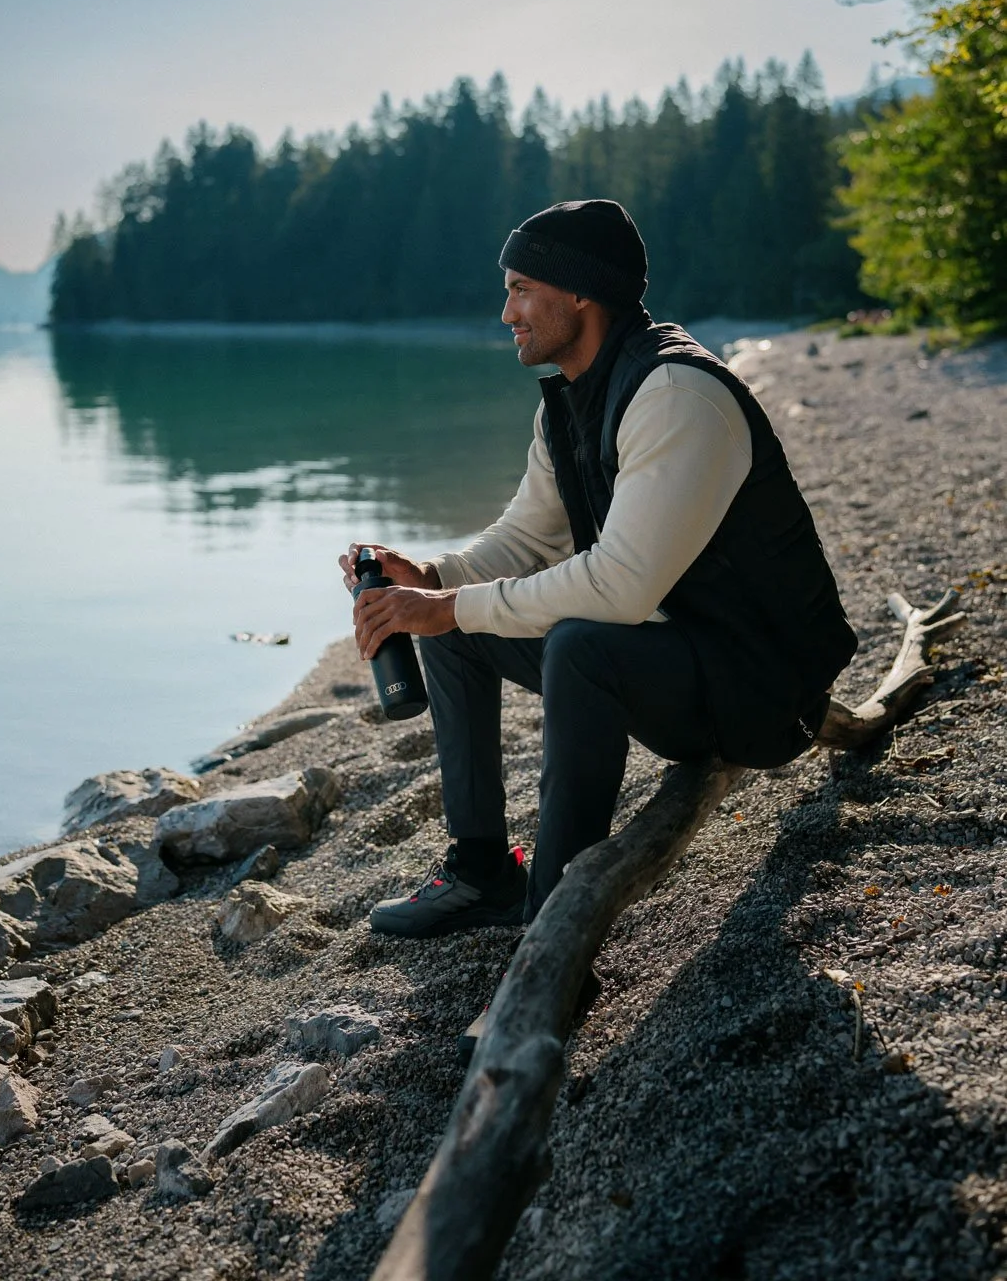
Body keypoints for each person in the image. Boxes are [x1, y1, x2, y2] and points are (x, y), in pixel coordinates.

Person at [340, 198, 856, 940]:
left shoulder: (677, 395)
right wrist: (426, 578)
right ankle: (483, 869)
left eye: (520, 288)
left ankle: (553, 931)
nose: (504, 312)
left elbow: (622, 584)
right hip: (679, 660)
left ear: (579, 292)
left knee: (577, 643)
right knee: (456, 617)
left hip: (764, 691)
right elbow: (524, 537)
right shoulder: (572, 404)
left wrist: (449, 606)